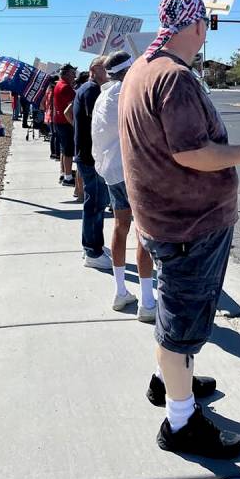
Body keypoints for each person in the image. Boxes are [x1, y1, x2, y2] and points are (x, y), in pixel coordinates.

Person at [119, 0, 240, 459]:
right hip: (189, 226)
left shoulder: (140, 70)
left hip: (164, 219)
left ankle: (168, 379)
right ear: (198, 27)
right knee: (180, 325)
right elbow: (190, 152)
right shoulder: (175, 78)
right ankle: (180, 423)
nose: (206, 34)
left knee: (174, 314)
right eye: (206, 26)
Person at [91, 51, 157, 320]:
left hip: (111, 172)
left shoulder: (103, 95)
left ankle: (120, 291)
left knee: (120, 227)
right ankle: (148, 302)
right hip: (134, 170)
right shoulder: (128, 92)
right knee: (144, 233)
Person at [71, 56, 111, 269]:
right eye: (108, 68)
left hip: (89, 155)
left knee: (96, 202)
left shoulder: (87, 89)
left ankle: (94, 244)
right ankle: (92, 251)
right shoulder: (91, 91)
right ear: (96, 69)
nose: (111, 72)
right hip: (91, 156)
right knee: (95, 203)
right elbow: (99, 123)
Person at [53, 63, 77, 186]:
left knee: (64, 150)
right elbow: (72, 105)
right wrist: (74, 123)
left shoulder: (59, 84)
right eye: (73, 73)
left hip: (59, 121)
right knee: (68, 151)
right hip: (66, 122)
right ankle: (68, 178)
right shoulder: (66, 87)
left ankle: (64, 173)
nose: (75, 76)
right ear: (67, 74)